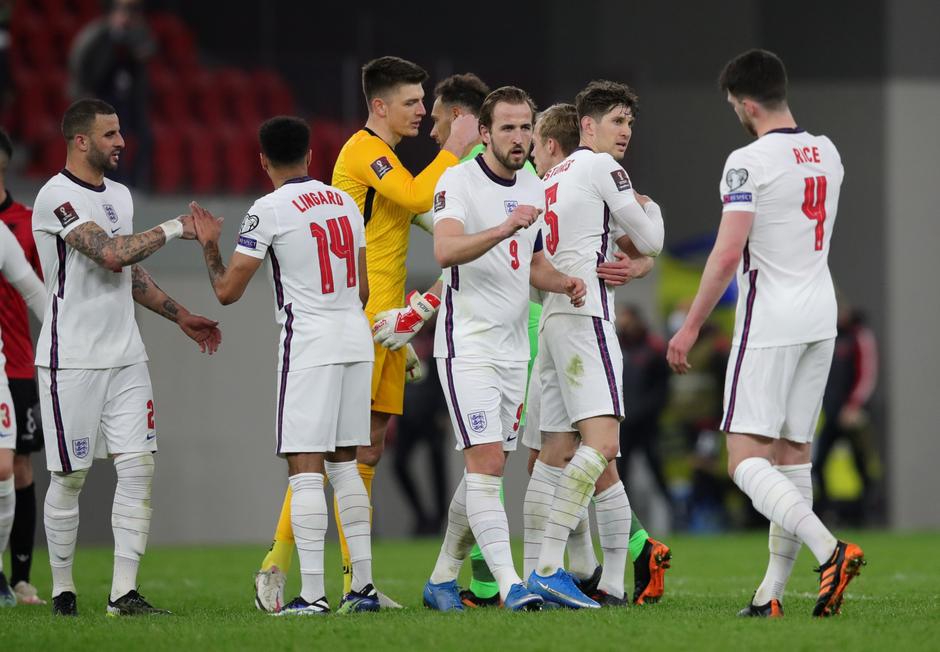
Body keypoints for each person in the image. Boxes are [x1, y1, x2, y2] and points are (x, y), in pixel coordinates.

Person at [253, 56, 478, 611]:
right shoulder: (363, 151)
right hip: (360, 316)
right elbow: (417, 197)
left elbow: (419, 213)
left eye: (424, 102)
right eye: (411, 102)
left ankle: (360, 583)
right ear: (379, 106)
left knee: (368, 451)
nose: (423, 111)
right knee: (330, 454)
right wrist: (456, 147)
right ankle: (275, 566)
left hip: (387, 320)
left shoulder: (391, 159)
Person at [666, 49, 864, 618]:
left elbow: (727, 254)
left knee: (743, 458)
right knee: (793, 455)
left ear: (745, 103)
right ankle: (770, 596)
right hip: (820, 315)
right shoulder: (828, 152)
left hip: (771, 318)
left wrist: (692, 326)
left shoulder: (746, 161)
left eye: (732, 103)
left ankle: (830, 550)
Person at [32, 98, 221, 617]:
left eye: (120, 132)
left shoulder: (120, 195)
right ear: (80, 141)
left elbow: (126, 273)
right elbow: (110, 251)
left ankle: (123, 594)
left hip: (126, 358)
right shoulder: (54, 196)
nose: (121, 142)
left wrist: (179, 314)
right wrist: (177, 228)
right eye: (110, 134)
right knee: (69, 478)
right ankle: (63, 590)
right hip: (69, 360)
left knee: (138, 469)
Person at [191, 116, 380, 615]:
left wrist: (209, 242)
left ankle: (313, 595)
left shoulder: (268, 209)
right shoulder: (343, 200)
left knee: (304, 466)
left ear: (262, 161)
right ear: (311, 156)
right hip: (354, 336)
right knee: (345, 465)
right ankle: (361, 588)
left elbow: (227, 291)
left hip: (312, 342)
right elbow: (362, 289)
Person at [422, 86, 585, 612]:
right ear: (485, 133)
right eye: (508, 128)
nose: (519, 138)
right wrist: (501, 226)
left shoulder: (533, 185)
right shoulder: (458, 181)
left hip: (517, 347)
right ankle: (513, 584)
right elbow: (445, 250)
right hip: (466, 343)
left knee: (486, 471)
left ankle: (442, 577)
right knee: (487, 464)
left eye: (525, 128)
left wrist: (561, 282)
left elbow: (531, 261)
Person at [523, 102, 670, 606]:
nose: (626, 132)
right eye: (618, 121)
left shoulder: (544, 183)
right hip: (587, 318)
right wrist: (651, 209)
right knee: (603, 447)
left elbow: (626, 252)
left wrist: (635, 266)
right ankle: (548, 565)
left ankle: (602, 580)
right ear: (586, 127)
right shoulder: (601, 166)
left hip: (552, 320)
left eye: (631, 122)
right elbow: (650, 239)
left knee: (555, 453)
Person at [0, 130, 47, 606]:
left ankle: (19, 578)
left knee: (17, 467)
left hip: (13, 363)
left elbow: (40, 291)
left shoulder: (25, 225)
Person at [68, 0, 157, 188]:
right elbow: (79, 60)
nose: (127, 15)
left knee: (143, 138)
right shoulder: (97, 34)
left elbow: (148, 51)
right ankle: (109, 183)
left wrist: (130, 41)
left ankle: (135, 183)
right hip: (102, 97)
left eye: (131, 10)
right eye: (123, 10)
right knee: (109, 142)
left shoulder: (138, 32)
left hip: (130, 99)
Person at [813, 301, 878, 514]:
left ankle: (867, 511)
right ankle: (826, 510)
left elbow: (866, 375)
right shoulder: (831, 337)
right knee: (819, 463)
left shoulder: (859, 336)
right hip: (832, 413)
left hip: (853, 415)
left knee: (861, 463)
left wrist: (853, 406)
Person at [616, 304, 671, 507]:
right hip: (623, 422)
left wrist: (648, 411)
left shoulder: (654, 348)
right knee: (621, 472)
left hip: (647, 423)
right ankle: (625, 518)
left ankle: (674, 514)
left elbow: (663, 387)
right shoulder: (616, 346)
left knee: (656, 466)